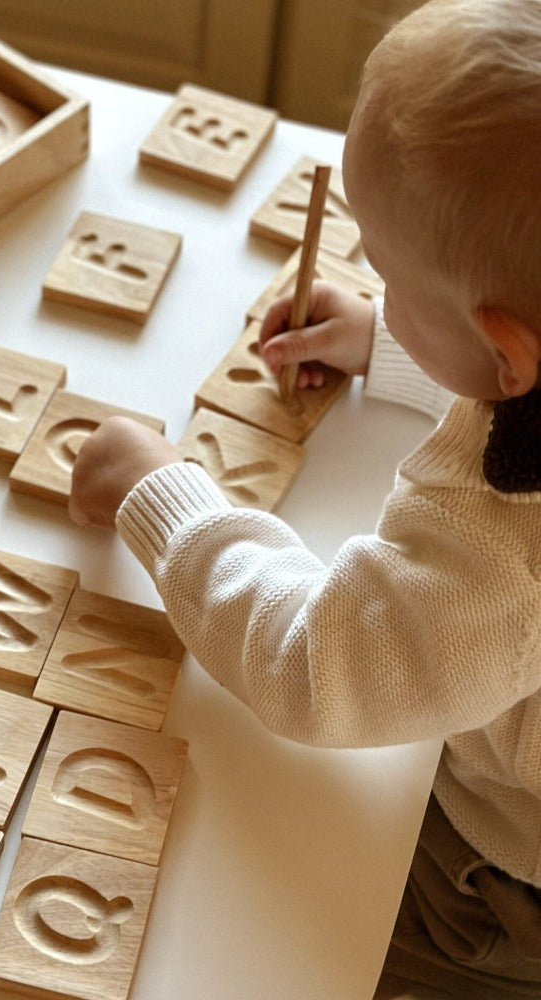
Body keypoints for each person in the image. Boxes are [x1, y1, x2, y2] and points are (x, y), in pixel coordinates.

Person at [67, 1, 541, 996]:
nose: (376, 288)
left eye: (390, 278)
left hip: (501, 884)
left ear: (505, 352)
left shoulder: (502, 555)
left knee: (303, 921)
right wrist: (391, 339)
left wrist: (161, 495)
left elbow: (313, 667)